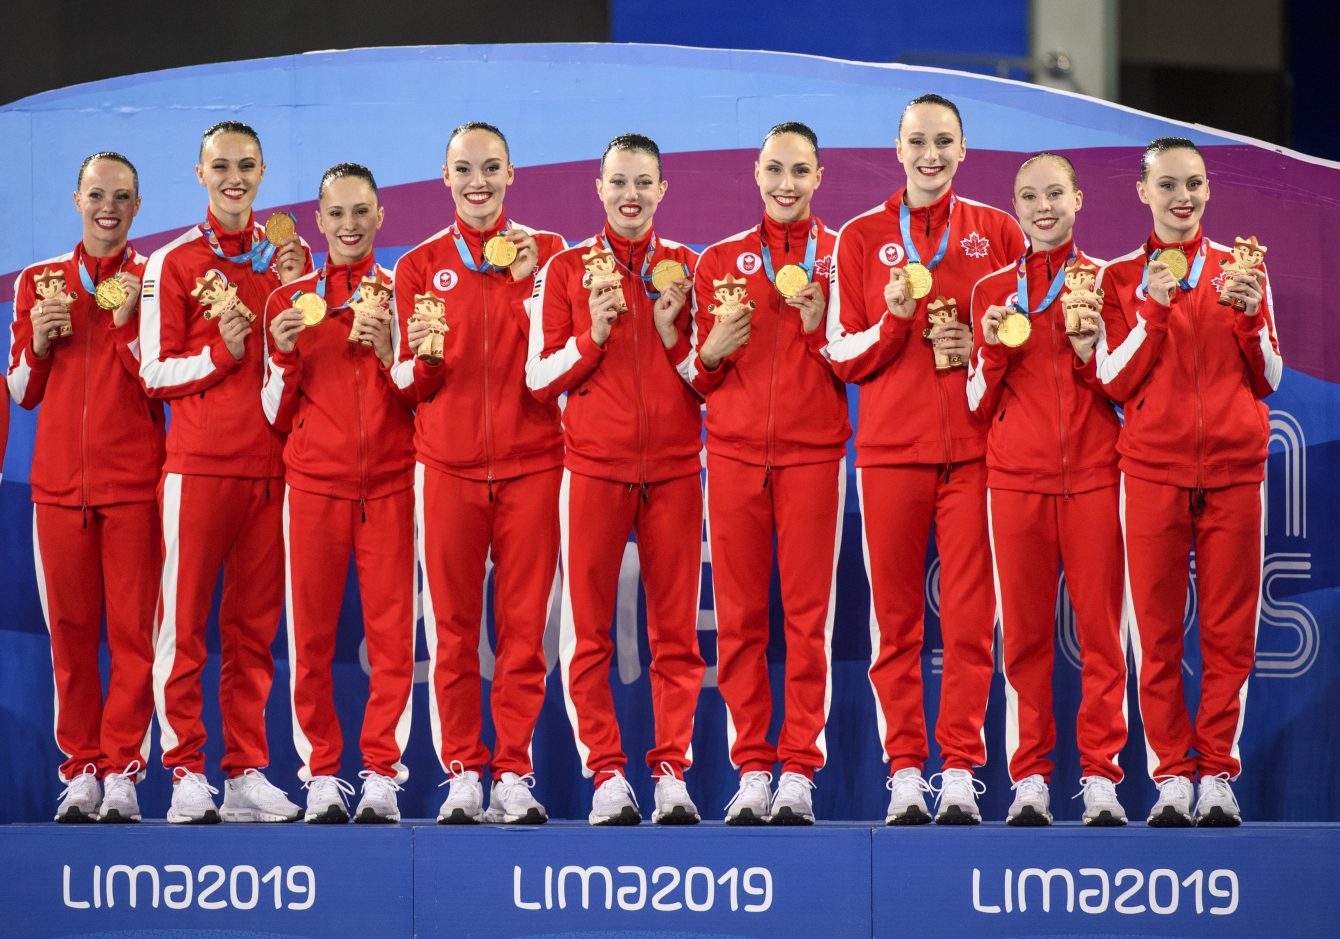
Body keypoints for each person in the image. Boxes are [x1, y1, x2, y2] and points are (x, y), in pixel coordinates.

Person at [826, 93, 1025, 825]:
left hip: (978, 454)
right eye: (918, 141)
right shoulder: (859, 236)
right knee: (897, 625)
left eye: (944, 141)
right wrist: (894, 322)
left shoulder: (999, 232)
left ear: (965, 149)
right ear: (897, 148)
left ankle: (962, 770)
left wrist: (982, 346)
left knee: (973, 621)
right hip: (888, 456)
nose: (931, 155)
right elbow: (841, 353)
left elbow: (1025, 339)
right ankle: (907, 769)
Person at [1095, 137, 1280, 827]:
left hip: (1234, 474)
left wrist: (1250, 314)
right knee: (1159, 635)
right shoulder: (1118, 278)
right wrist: (1152, 307)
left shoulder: (1242, 267)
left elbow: (1269, 378)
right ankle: (1172, 775)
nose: (1183, 196)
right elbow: (1112, 380)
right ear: (1142, 192)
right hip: (1152, 473)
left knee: (1230, 636)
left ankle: (1217, 776)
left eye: (1195, 184)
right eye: (1168, 184)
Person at [669, 122, 849, 824]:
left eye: (799, 171)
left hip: (813, 456)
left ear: (819, 176)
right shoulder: (718, 260)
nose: (786, 184)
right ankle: (752, 766)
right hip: (735, 456)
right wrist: (711, 353)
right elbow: (693, 372)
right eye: (775, 169)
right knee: (740, 623)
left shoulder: (843, 258)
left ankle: (799, 768)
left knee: (807, 623)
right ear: (755, 172)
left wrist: (822, 328)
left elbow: (864, 359)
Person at [391, 122, 566, 824]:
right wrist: (425, 364)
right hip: (449, 469)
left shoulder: (551, 255)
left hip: (532, 464)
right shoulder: (416, 266)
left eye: (491, 167)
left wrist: (528, 290)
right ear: (444, 176)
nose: (478, 182)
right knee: (454, 630)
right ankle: (463, 768)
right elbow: (404, 381)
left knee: (524, 631)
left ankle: (514, 770)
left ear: (512, 173)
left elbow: (561, 365)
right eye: (465, 168)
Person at [527, 133, 705, 825]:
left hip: (675, 472)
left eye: (644, 183)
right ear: (597, 189)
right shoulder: (566, 270)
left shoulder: (689, 270)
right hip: (593, 471)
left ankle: (670, 772)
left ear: (663, 191)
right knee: (587, 635)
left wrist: (675, 331)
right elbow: (539, 377)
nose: (631, 195)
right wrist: (592, 336)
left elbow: (708, 375)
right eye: (618, 182)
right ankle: (606, 773)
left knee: (676, 636)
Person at [139, 120, 311, 823]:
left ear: (264, 173)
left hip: (270, 473)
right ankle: (184, 771)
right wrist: (219, 353)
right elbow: (151, 369)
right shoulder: (173, 262)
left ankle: (243, 771)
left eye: (246, 165)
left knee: (252, 633)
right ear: (200, 173)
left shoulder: (281, 265)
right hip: (199, 470)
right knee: (184, 628)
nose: (234, 177)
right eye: (221, 166)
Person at [966, 153, 1128, 825]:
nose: (1043, 206)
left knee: (1101, 636)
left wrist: (1092, 351)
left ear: (1079, 199)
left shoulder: (1110, 284)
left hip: (1093, 475)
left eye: (1055, 193)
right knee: (1025, 639)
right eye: (1029, 196)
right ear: (1016, 205)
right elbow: (976, 399)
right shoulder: (990, 291)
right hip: (1015, 481)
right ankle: (1030, 776)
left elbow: (1128, 388)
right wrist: (997, 346)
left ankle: (1100, 778)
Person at [7, 152, 163, 822]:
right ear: (76, 199)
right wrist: (38, 344)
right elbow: (20, 390)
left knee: (132, 636)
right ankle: (80, 772)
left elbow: (163, 381)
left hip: (134, 486)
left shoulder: (154, 282)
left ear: (136, 206)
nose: (108, 207)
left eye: (122, 196)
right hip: (58, 491)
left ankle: (123, 771)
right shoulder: (40, 283)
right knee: (71, 637)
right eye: (97, 194)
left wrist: (130, 324)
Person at [263, 163, 416, 823]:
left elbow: (423, 394)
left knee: (391, 639)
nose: (350, 225)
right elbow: (272, 412)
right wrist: (285, 355)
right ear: (319, 221)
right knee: (313, 641)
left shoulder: (408, 295)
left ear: (381, 217)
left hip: (390, 484)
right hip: (315, 487)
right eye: (338, 213)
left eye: (362, 212)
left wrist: (389, 351)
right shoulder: (288, 302)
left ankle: (382, 771)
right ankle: (321, 773)